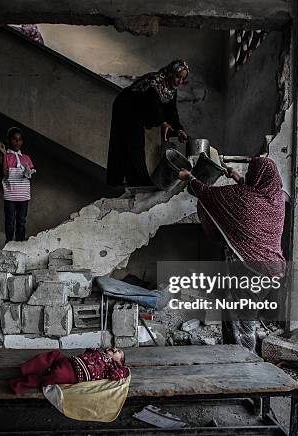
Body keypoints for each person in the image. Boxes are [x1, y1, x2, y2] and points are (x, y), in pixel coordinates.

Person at [179, 157, 286, 351]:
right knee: (235, 316)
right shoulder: (278, 197)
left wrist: (190, 178)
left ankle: (247, 366)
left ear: (255, 175)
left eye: (248, 173)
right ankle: (231, 357)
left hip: (250, 270)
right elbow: (255, 192)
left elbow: (207, 194)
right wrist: (237, 178)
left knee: (243, 324)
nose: (247, 175)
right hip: (273, 269)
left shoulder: (243, 198)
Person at [107, 60, 190, 187]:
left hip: (137, 113)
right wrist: (163, 123)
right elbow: (153, 106)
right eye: (178, 76)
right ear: (170, 73)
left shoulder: (171, 89)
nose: (180, 81)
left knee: (133, 143)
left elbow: (172, 111)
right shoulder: (155, 81)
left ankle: (132, 180)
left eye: (182, 79)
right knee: (131, 143)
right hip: (126, 107)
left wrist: (179, 129)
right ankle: (136, 181)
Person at [9, 347, 130, 395]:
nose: (115, 348)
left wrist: (123, 369)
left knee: (55, 374)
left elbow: (118, 375)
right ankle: (26, 369)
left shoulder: (113, 366)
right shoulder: (99, 352)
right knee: (54, 354)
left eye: (119, 351)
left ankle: (20, 384)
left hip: (75, 374)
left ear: (120, 361)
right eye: (115, 347)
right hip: (69, 361)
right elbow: (86, 352)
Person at [0, 127, 35, 243]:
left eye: (20, 139)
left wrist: (28, 172)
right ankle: (9, 243)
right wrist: (4, 154)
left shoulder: (26, 158)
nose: (17, 142)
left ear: (22, 141)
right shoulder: (5, 156)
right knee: (10, 221)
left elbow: (30, 174)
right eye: (14, 139)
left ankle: (20, 244)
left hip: (23, 196)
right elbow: (5, 173)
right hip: (10, 196)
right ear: (9, 140)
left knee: (21, 221)